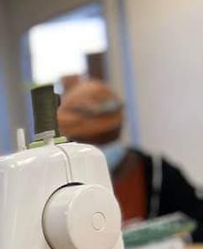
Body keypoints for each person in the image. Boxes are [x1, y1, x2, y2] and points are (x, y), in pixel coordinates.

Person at [56, 78, 203, 240]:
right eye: (89, 142)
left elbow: (198, 221)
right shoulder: (58, 185)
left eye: (107, 138)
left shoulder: (158, 174)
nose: (100, 148)